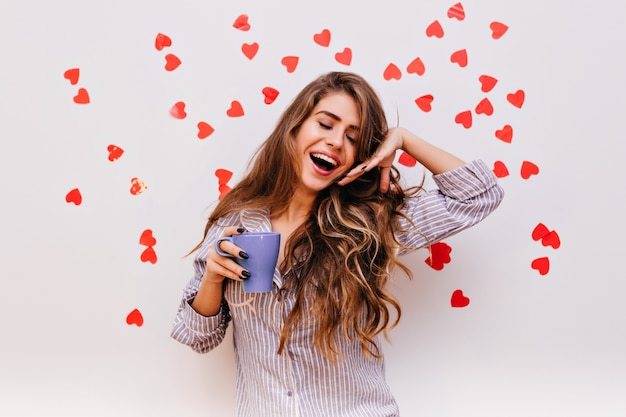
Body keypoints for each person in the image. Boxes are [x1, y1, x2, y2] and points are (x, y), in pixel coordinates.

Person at [171, 71, 504, 416]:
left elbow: (481, 194)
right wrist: (212, 278)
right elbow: (197, 337)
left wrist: (403, 138)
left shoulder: (369, 226)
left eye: (352, 137)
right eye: (325, 124)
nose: (335, 141)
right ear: (296, 127)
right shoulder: (235, 224)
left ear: (361, 156)